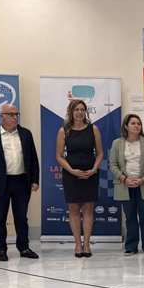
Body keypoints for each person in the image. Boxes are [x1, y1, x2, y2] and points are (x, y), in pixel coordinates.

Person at [0, 104, 40, 262]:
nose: (15, 117)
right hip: (0, 183)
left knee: (21, 217)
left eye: (16, 114)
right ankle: (1, 249)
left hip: (22, 181)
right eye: (11, 114)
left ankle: (24, 247)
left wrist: (35, 180)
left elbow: (33, 159)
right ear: (2, 116)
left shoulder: (26, 134)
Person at [55, 100, 103, 258]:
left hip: (91, 174)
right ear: (71, 112)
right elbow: (59, 156)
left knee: (88, 209)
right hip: (71, 175)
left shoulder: (93, 129)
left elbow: (100, 153)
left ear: (86, 112)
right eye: (76, 109)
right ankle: (77, 244)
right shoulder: (64, 131)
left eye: (82, 109)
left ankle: (87, 243)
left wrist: (94, 170)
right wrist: (72, 171)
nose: (80, 112)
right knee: (74, 209)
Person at [109, 114, 144, 256]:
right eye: (133, 123)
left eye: (138, 123)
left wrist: (143, 178)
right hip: (125, 185)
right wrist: (124, 179)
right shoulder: (117, 143)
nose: (137, 126)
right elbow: (113, 164)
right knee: (130, 217)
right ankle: (131, 246)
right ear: (126, 126)